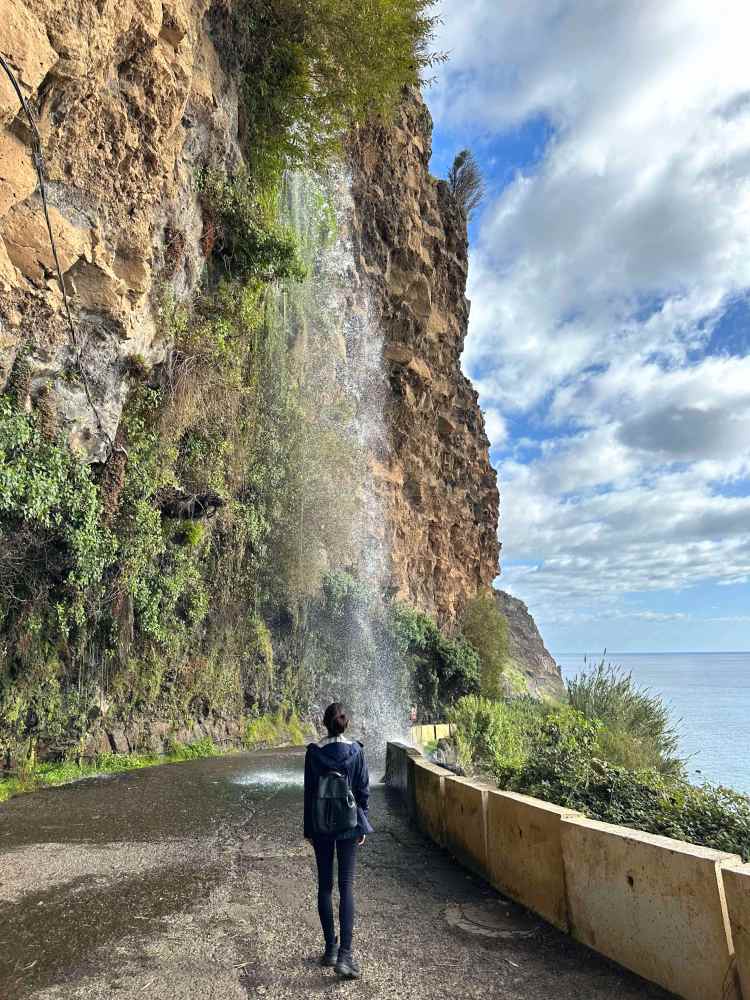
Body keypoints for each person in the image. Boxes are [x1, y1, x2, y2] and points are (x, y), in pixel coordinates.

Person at [303, 702, 373, 980]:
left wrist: (308, 828)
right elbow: (363, 789)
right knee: (346, 887)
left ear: (324, 723)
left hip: (320, 825)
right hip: (348, 825)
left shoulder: (314, 753)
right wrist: (362, 823)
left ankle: (330, 949)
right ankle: (345, 956)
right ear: (346, 724)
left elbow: (309, 793)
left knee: (325, 886)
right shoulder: (356, 751)